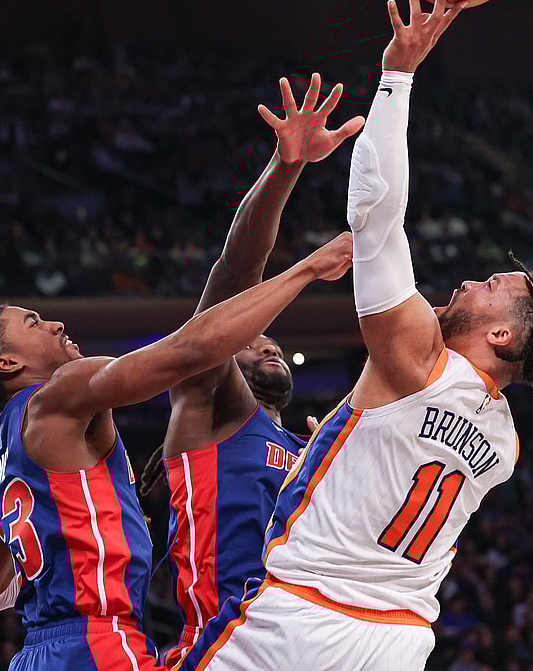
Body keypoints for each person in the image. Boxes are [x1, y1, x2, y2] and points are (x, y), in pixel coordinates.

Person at [183, 0, 533, 671]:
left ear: (502, 336)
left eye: (493, 286)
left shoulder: (418, 359)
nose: (471, 280)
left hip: (303, 619)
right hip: (401, 641)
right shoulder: (503, 443)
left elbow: (376, 211)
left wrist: (397, 77)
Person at [0, 232, 353, 671]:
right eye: (33, 323)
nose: (55, 324)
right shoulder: (58, 392)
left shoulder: (2, 470)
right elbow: (190, 351)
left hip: (35, 653)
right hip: (95, 644)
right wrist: (308, 269)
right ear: (7, 363)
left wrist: (92, 528)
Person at [135, 71, 363, 662]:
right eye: (249, 340)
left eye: (272, 341)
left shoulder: (299, 445)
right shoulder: (210, 402)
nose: (269, 345)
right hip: (226, 645)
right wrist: (286, 170)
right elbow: (237, 272)